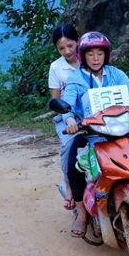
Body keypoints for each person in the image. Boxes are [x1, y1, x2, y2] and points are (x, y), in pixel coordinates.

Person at [61, 31, 129, 237]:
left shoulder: (116, 74)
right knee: (72, 164)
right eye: (90, 54)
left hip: (123, 129)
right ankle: (81, 214)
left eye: (99, 54)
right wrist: (71, 120)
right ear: (83, 56)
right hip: (93, 133)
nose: (95, 58)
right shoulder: (76, 80)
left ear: (106, 55)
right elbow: (67, 104)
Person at [47, 24, 80, 210]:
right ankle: (69, 185)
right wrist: (68, 115)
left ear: (78, 41)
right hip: (68, 116)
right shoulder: (56, 68)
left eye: (70, 45)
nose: (67, 51)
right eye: (61, 48)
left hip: (95, 115)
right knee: (70, 146)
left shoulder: (91, 59)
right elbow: (56, 100)